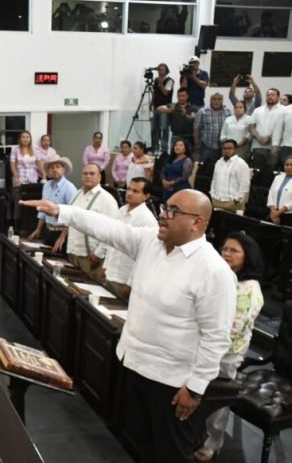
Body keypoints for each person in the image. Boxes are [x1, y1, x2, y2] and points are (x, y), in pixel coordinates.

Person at [21, 189, 236, 463]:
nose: (163, 216)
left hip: (172, 384)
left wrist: (195, 389)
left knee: (170, 455)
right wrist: (62, 211)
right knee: (142, 448)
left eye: (173, 211)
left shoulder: (213, 271)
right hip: (135, 366)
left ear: (197, 222)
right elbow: (108, 228)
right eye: (164, 208)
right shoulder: (151, 242)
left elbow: (216, 337)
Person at [195, 232, 264, 462]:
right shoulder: (223, 277)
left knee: (216, 399)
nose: (227, 254)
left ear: (248, 256)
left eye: (234, 250)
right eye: (225, 249)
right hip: (205, 344)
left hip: (227, 353)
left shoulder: (249, 288)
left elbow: (234, 330)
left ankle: (211, 444)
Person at [102, 177, 158, 300]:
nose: (129, 193)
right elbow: (112, 240)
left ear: (146, 196)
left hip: (125, 280)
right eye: (129, 189)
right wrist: (105, 267)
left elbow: (146, 256)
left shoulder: (147, 220)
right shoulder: (121, 210)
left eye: (135, 191)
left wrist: (131, 283)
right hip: (111, 273)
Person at [65, 163, 119, 280]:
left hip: (92, 257)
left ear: (99, 177)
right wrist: (70, 248)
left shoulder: (107, 199)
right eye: (85, 173)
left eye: (92, 174)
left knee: (88, 287)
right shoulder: (77, 194)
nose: (88, 176)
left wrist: (99, 254)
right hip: (74, 252)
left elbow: (112, 230)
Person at [26, 157, 77, 252]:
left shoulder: (70, 188)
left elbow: (72, 216)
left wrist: (62, 237)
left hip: (62, 233)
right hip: (48, 230)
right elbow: (43, 209)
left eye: (57, 167)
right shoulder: (46, 186)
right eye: (52, 167)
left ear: (63, 170)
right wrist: (38, 229)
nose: (54, 169)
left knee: (59, 258)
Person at [210, 139, 251, 214]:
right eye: (224, 148)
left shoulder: (241, 163)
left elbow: (245, 185)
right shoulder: (218, 162)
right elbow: (214, 180)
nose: (227, 151)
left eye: (230, 148)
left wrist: (236, 200)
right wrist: (212, 194)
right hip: (216, 200)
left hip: (233, 202)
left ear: (235, 149)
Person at [249, 88, 284, 170]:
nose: (270, 97)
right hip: (258, 145)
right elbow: (251, 127)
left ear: (278, 97)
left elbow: (284, 127)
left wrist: (269, 137)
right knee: (258, 171)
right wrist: (259, 138)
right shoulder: (257, 110)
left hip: (276, 147)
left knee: (273, 171)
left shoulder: (284, 110)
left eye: (272, 95)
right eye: (268, 95)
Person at [194, 93, 231, 165]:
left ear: (222, 101)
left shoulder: (228, 112)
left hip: (222, 147)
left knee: (221, 167)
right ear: (210, 100)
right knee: (204, 167)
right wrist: (196, 145)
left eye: (219, 99)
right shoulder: (202, 112)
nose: (216, 101)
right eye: (214, 99)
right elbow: (196, 129)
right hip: (206, 146)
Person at [151, 63, 175, 154]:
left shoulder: (170, 80)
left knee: (164, 128)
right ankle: (155, 147)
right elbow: (155, 92)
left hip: (165, 107)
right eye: (159, 69)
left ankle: (164, 149)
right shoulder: (155, 80)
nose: (160, 71)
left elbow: (165, 93)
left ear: (166, 71)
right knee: (155, 128)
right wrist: (151, 103)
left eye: (162, 69)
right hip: (156, 107)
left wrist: (161, 83)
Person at [267, 155, 292, 225]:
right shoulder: (277, 177)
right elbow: (271, 193)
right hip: (273, 213)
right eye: (287, 164)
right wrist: (273, 211)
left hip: (289, 215)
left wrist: (278, 213)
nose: (289, 167)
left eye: (291, 165)